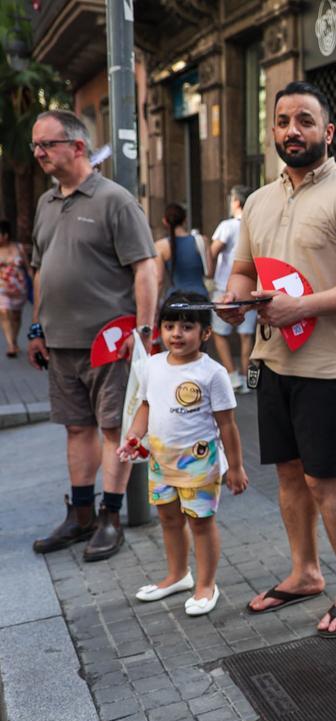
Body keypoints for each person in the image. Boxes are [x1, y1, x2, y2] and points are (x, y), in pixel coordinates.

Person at [217, 81, 336, 638]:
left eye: (305, 121)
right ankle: (305, 573)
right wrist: (234, 302)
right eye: (283, 120)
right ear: (273, 131)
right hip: (273, 362)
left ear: (327, 132)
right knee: (289, 477)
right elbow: (244, 269)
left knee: (324, 481)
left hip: (329, 368)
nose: (293, 130)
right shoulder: (261, 202)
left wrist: (300, 307)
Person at [27, 109, 159, 561]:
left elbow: (145, 268)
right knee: (76, 429)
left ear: (77, 147)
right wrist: (36, 327)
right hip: (60, 344)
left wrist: (141, 331)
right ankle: (80, 515)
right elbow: (40, 270)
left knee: (112, 429)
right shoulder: (46, 204)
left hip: (110, 344)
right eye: (36, 146)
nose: (39, 153)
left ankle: (111, 517)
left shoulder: (115, 200)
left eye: (47, 144)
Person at [118, 291, 248, 616]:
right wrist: (134, 435)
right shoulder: (152, 365)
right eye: (169, 325)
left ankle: (207, 585)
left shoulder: (212, 373)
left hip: (199, 464)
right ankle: (178, 575)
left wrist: (236, 468)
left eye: (187, 327)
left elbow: (228, 425)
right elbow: (146, 405)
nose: (176, 333)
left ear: (205, 333)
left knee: (200, 523)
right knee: (168, 520)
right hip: (162, 462)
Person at [209, 186, 254, 393]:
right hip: (251, 288)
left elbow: (214, 250)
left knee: (220, 333)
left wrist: (210, 270)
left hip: (224, 287)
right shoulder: (254, 224)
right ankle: (245, 378)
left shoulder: (227, 226)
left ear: (236, 202)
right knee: (247, 336)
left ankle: (232, 376)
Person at [154, 203, 209, 296]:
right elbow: (209, 272)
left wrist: (154, 306)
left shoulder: (160, 246)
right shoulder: (202, 240)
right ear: (185, 220)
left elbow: (159, 280)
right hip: (200, 299)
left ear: (165, 221)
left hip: (175, 300)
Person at [0, 220, 28, 358]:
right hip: (1, 288)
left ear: (5, 235)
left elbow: (28, 268)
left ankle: (15, 340)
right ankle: (10, 344)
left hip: (19, 288)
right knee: (4, 312)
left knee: (16, 315)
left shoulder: (19, 248)